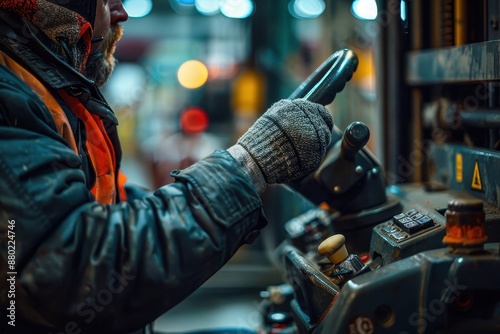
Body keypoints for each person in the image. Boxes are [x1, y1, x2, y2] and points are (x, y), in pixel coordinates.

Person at [0, 1, 334, 333]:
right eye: (106, 0)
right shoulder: (10, 94)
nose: (121, 13)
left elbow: (98, 203)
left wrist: (202, 202)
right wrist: (248, 165)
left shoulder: (47, 86)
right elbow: (75, 269)